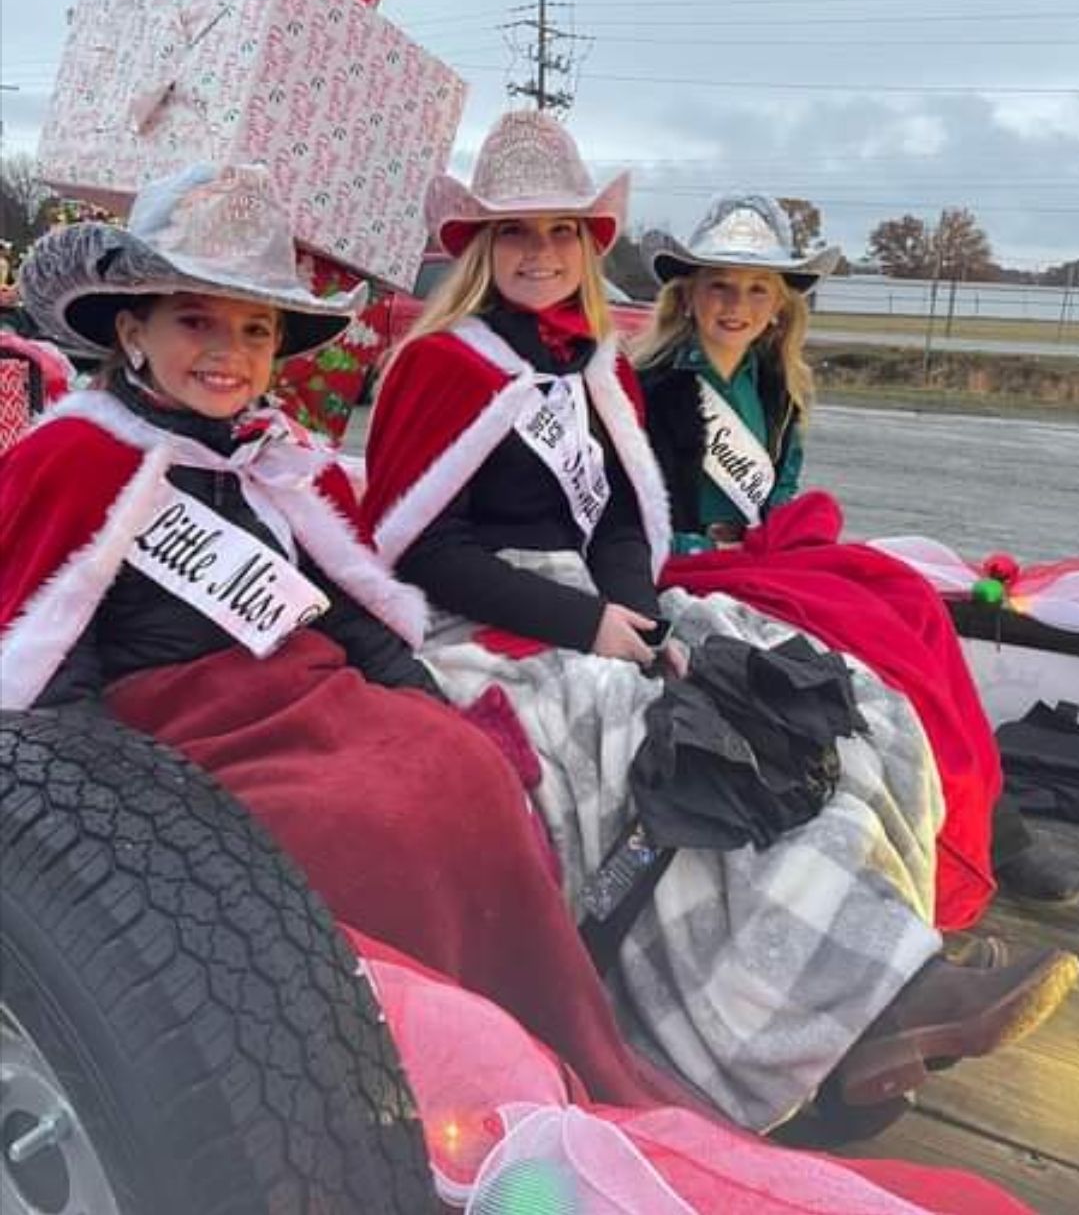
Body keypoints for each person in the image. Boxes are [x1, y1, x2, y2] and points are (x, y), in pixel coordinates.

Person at [358, 111, 1077, 1135]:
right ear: (478, 249)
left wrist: (639, 614)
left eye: (561, 233)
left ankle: (876, 988)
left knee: (808, 689)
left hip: (602, 599)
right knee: (658, 740)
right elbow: (421, 547)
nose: (540, 254)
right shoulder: (441, 365)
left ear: (585, 247)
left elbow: (617, 517)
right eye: (516, 234)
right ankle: (808, 1023)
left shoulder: (584, 363)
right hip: (486, 613)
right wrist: (591, 629)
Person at [0, 161, 716, 1114]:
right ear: (132, 330)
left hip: (312, 694)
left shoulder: (278, 460)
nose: (228, 352)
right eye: (194, 321)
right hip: (174, 741)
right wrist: (136, 815)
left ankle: (534, 1056)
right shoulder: (74, 457)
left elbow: (350, 610)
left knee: (462, 770)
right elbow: (48, 673)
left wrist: (423, 700)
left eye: (253, 329)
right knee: (370, 828)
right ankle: (388, 1099)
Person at [634, 194, 1079, 912]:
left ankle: (988, 822)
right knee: (870, 635)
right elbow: (639, 505)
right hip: (688, 566)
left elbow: (781, 490)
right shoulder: (649, 385)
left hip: (764, 559)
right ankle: (966, 841)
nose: (736, 304)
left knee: (911, 609)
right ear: (688, 293)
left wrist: (777, 530)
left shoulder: (778, 384)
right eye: (719, 284)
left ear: (778, 305)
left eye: (756, 289)